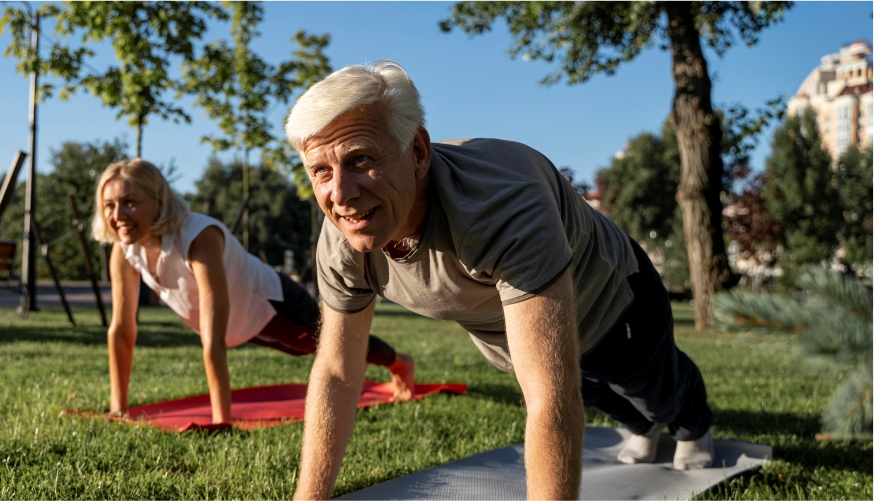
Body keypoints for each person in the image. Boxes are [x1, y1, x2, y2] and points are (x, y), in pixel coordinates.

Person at [284, 61, 715, 500]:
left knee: (651, 386)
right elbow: (338, 371)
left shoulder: (502, 202)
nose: (340, 194)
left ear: (417, 152)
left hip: (613, 299)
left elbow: (550, 394)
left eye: (360, 159)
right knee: (597, 392)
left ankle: (692, 426)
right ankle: (643, 427)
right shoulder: (343, 236)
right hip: (514, 332)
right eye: (320, 170)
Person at [90, 159, 416, 424]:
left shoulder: (198, 238)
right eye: (109, 205)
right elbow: (121, 330)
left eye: (129, 203)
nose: (117, 216)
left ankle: (399, 362)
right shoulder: (125, 251)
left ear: (158, 200)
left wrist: (222, 420)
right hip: (241, 322)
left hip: (273, 304)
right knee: (309, 348)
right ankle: (394, 360)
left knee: (329, 344)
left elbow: (213, 336)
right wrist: (119, 407)